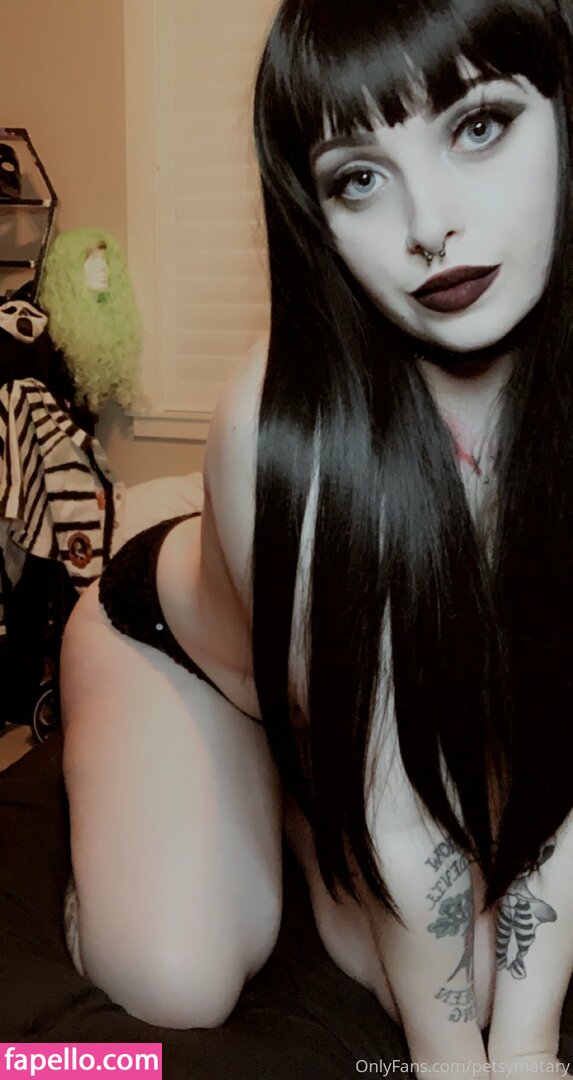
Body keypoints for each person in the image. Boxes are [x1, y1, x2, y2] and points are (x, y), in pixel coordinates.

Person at [60, 0, 573, 1071]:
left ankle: (300, 781)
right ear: (313, 209)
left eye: (479, 126)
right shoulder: (276, 426)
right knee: (176, 980)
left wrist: (529, 1049)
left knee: (485, 983)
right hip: (185, 649)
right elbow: (401, 814)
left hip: (374, 691)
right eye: (359, 178)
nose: (430, 225)